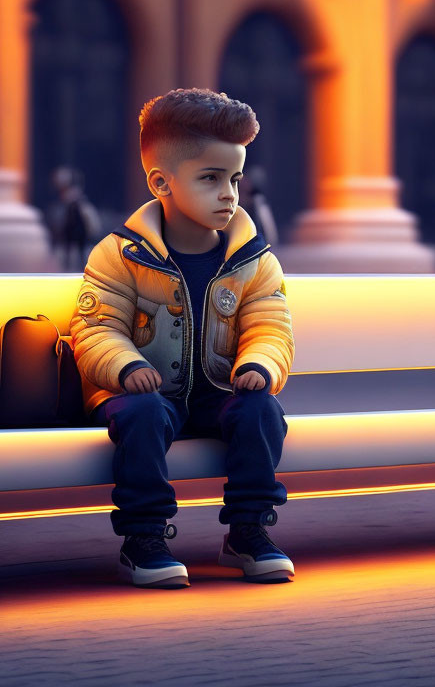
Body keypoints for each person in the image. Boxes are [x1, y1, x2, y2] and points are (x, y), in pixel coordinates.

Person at [69, 88, 295, 589]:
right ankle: (143, 537)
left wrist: (259, 364)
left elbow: (270, 327)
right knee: (143, 415)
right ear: (160, 182)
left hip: (219, 394)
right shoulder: (119, 255)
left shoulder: (253, 260)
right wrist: (125, 368)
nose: (229, 194)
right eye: (211, 179)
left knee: (261, 411)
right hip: (142, 394)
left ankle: (248, 530)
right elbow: (95, 327)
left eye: (234, 179)